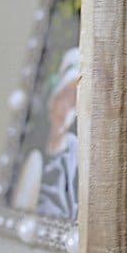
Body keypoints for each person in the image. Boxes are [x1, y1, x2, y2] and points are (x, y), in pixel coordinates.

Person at [36, 47, 79, 220]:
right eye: (65, 97)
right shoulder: (37, 148)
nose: (68, 110)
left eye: (75, 103)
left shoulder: (73, 149)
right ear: (52, 102)